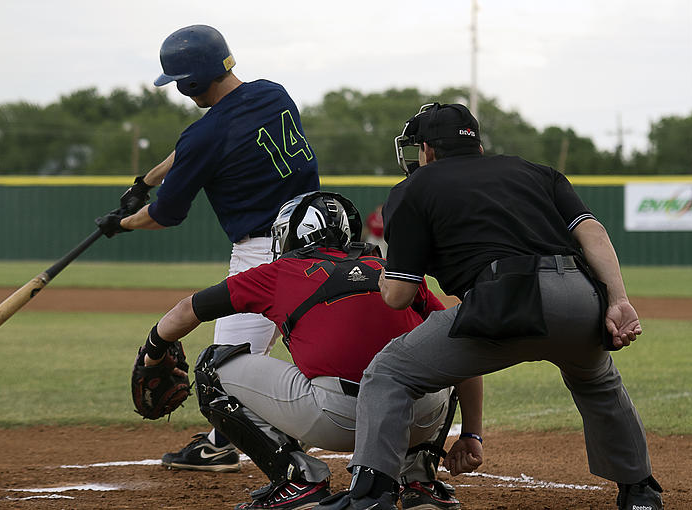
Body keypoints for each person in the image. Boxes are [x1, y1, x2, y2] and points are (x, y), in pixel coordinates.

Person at [316, 104, 662, 510]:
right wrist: (618, 300)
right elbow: (592, 231)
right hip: (579, 293)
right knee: (598, 381)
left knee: (389, 372)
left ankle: (371, 494)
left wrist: (379, 274)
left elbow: (398, 296)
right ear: (477, 143)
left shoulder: (415, 187)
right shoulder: (537, 172)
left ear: (426, 150)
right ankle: (640, 492)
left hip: (504, 300)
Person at [139, 191, 482, 510]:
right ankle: (420, 479)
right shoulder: (392, 268)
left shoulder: (279, 273)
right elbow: (460, 339)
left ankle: (298, 478)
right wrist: (471, 434)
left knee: (212, 367)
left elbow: (188, 310)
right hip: (418, 418)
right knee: (438, 354)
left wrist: (154, 348)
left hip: (337, 419)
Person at [96, 24, 319, 471]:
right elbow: (193, 148)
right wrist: (146, 181)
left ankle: (285, 463)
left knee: (223, 370)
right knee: (321, 346)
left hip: (263, 253)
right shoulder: (272, 93)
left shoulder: (205, 135)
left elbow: (165, 215)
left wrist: (121, 224)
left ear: (193, 82)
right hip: (320, 241)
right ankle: (221, 441)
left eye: (180, 82)